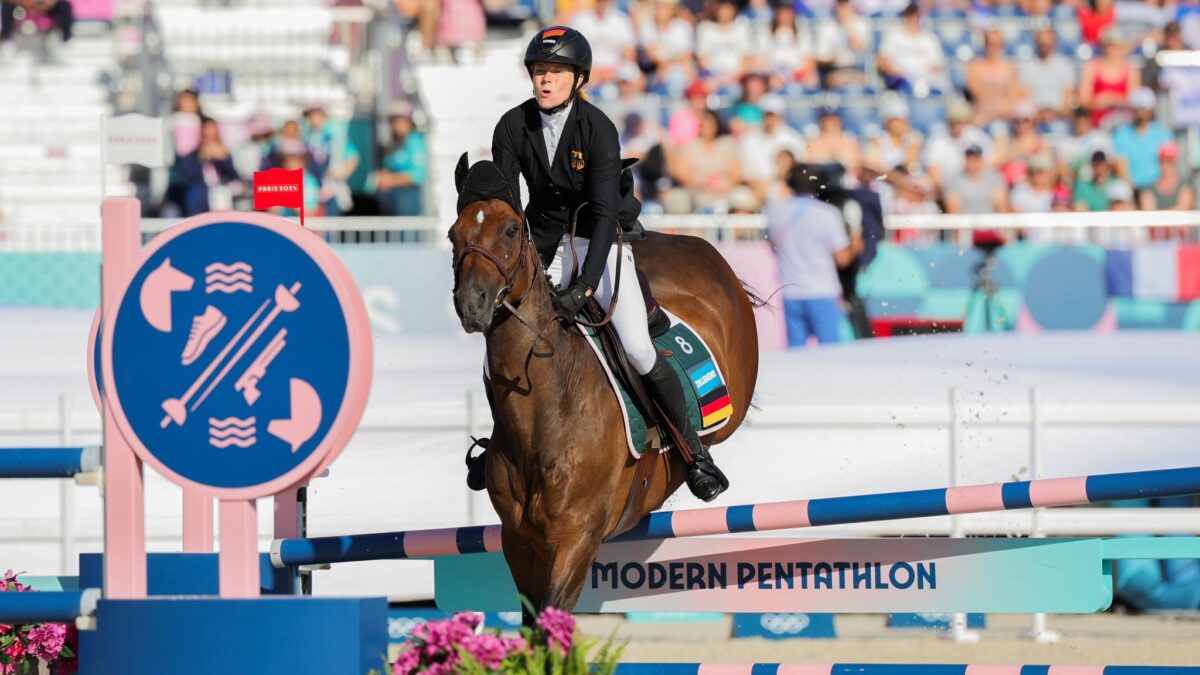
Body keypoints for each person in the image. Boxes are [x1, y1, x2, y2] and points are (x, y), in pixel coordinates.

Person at [473, 26, 729, 502]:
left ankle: (693, 452)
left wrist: (585, 287)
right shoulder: (512, 125)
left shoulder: (598, 128)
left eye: (555, 72)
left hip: (599, 239)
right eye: (539, 71)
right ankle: (500, 444)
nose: (545, 80)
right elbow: (509, 203)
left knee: (634, 345)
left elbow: (607, 214)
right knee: (500, 344)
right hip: (544, 241)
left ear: (578, 78)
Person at [766, 164, 862, 346]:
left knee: (796, 359)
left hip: (791, 292)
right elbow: (842, 259)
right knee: (831, 355)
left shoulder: (775, 211)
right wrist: (856, 244)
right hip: (822, 292)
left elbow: (773, 246)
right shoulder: (827, 214)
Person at [1112, 87, 1173, 190]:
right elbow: (1121, 168)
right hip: (1131, 190)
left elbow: (1168, 167)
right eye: (1138, 108)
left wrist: (1155, 193)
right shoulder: (1121, 135)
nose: (1141, 113)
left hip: (1158, 190)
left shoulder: (1163, 134)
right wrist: (1136, 191)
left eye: (1144, 108)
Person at [377, 103, 429, 216]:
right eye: (393, 121)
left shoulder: (415, 142)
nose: (396, 125)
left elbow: (418, 175)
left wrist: (391, 180)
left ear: (409, 122)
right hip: (392, 201)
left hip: (407, 202)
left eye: (400, 120)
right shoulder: (394, 144)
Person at [1019, 27, 1077, 121]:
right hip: (1035, 117)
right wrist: (1039, 114)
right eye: (1042, 43)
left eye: (1047, 43)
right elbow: (1025, 96)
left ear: (1054, 43)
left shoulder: (1064, 66)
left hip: (1059, 116)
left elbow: (1068, 96)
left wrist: (1054, 113)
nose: (1044, 46)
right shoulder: (1027, 67)